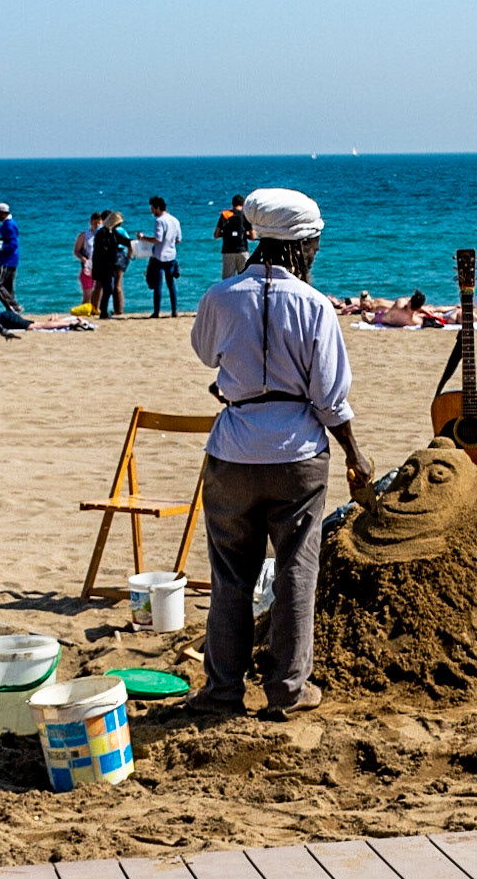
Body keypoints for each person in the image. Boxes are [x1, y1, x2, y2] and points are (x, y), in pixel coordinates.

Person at [187, 187, 371, 720]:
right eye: (313, 245)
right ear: (299, 246)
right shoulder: (314, 306)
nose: (315, 254)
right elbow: (330, 397)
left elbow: (205, 355)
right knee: (295, 571)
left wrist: (237, 385)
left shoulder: (221, 296)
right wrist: (356, 454)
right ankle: (288, 690)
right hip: (297, 456)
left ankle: (223, 690)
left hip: (233, 452)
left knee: (231, 576)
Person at [139, 196, 183, 318]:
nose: (151, 211)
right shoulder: (175, 220)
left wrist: (143, 238)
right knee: (171, 284)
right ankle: (174, 310)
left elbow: (157, 239)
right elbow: (178, 239)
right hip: (171, 255)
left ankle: (156, 312)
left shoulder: (159, 221)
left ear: (158, 208)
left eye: (152, 208)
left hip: (160, 256)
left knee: (158, 285)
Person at [91, 211, 128, 319]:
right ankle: (103, 312)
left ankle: (104, 312)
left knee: (109, 288)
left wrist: (137, 243)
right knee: (108, 288)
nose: (119, 226)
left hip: (109, 264)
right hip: (102, 264)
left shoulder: (113, 232)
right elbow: (101, 249)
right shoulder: (101, 233)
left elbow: (124, 241)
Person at [212, 194, 254, 279]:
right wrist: (246, 235)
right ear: (243, 204)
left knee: (227, 280)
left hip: (228, 251)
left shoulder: (225, 215)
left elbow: (216, 234)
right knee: (244, 279)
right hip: (242, 250)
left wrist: (225, 234)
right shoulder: (245, 216)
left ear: (232, 204)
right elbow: (253, 236)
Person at [74, 212, 103, 305]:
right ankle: (84, 312)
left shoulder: (103, 235)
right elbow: (76, 251)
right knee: (87, 295)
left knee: (99, 293)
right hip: (87, 268)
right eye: (95, 223)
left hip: (100, 267)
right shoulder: (84, 235)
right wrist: (84, 260)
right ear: (91, 222)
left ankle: (96, 311)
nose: (97, 225)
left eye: (99, 223)